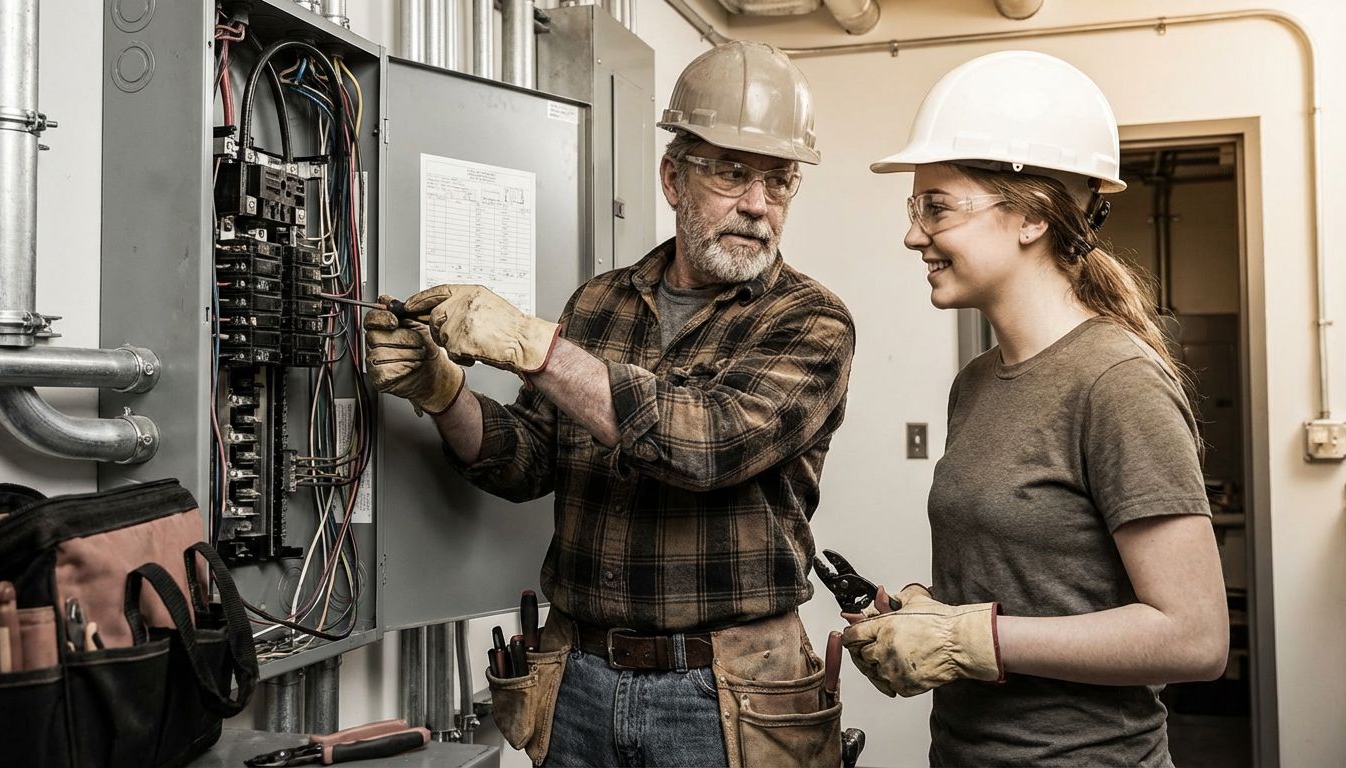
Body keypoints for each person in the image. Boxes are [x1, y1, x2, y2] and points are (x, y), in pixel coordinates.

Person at [366, 42, 855, 768]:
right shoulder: (599, 301)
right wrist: (443, 393)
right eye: (731, 172)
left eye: (778, 181)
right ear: (673, 178)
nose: (758, 204)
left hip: (730, 693)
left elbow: (708, 445)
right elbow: (529, 462)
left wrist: (534, 346)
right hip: (579, 680)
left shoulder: (810, 320)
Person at [842, 50, 1229, 766]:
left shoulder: (1117, 380)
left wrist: (968, 638)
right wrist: (929, 617)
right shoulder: (976, 382)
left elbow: (1195, 638)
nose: (913, 234)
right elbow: (1027, 589)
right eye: (915, 208)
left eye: (936, 207)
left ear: (1030, 217)